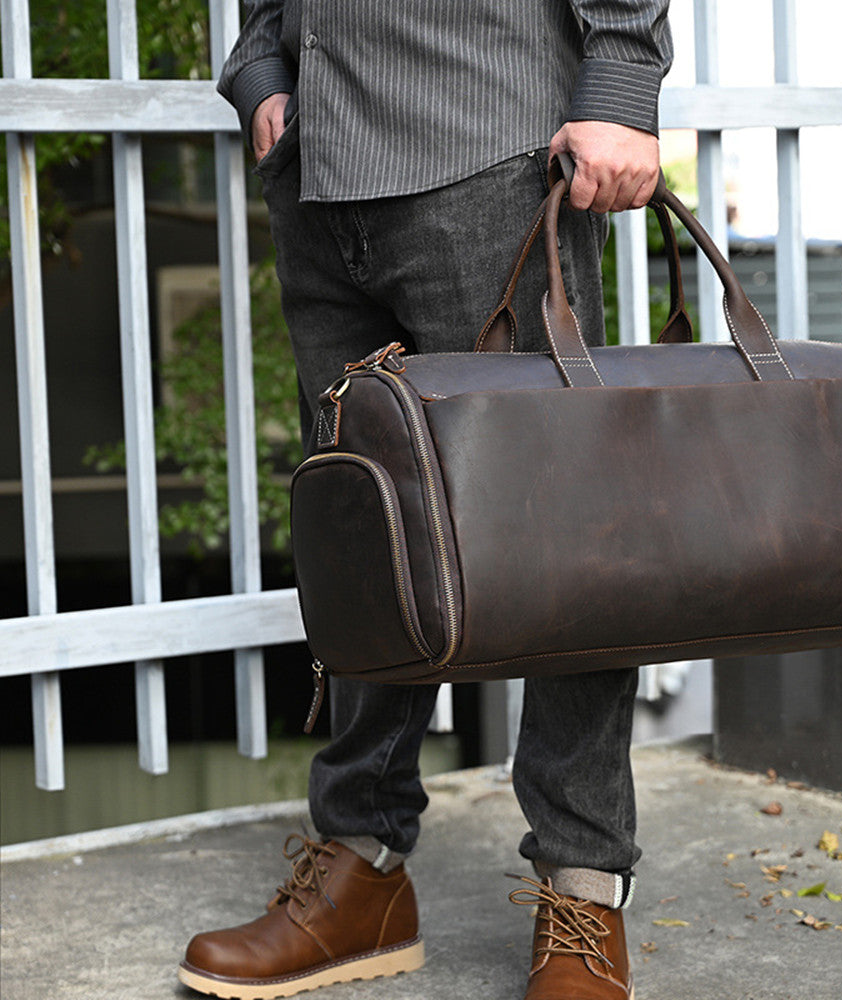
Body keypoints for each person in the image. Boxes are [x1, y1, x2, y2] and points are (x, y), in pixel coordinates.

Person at [178, 3, 672, 998]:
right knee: (363, 537)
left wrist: (618, 84)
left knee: (559, 533)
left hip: (489, 155)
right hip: (320, 169)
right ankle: (361, 865)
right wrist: (259, 69)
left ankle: (582, 888)